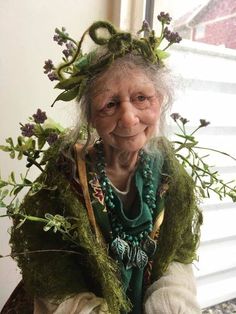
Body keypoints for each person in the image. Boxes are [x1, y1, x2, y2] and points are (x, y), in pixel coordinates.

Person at [4, 14, 202, 314]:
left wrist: (169, 303)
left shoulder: (169, 175)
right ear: (91, 117)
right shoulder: (64, 180)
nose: (128, 117)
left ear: (159, 100)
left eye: (141, 98)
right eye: (110, 104)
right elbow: (54, 279)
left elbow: (178, 253)